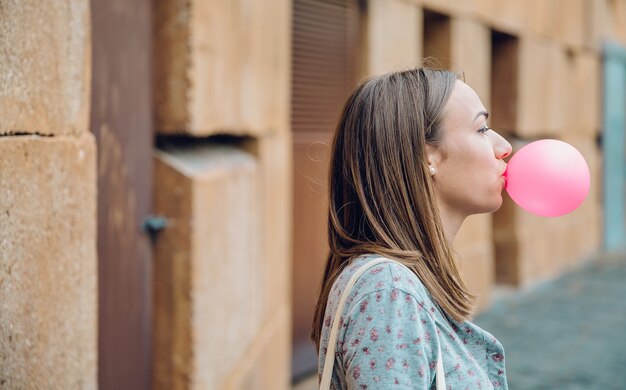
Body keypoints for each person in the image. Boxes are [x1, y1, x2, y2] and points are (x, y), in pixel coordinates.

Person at [310, 67, 512, 389]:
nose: (504, 147)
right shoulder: (389, 293)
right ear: (425, 154)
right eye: (482, 128)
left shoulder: (399, 284)